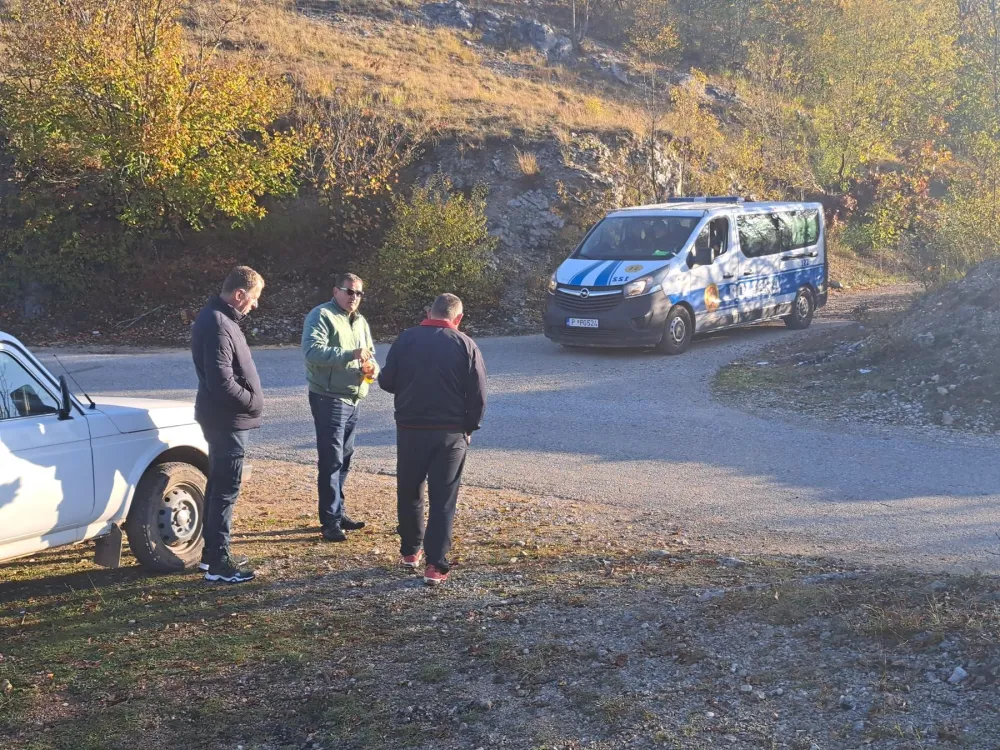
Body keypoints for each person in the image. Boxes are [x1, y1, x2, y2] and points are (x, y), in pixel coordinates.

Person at [378, 293, 487, 586]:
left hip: (410, 429)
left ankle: (410, 551)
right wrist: (469, 428)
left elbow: (387, 381)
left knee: (410, 490)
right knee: (443, 498)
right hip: (450, 433)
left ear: (430, 311)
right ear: (458, 318)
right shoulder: (465, 345)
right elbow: (477, 395)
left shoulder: (406, 339)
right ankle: (436, 565)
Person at [190, 266, 265, 584]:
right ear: (239, 294)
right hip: (226, 421)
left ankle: (211, 556)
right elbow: (221, 382)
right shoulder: (218, 324)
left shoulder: (221, 320)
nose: (255, 305)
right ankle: (219, 563)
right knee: (224, 490)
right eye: (254, 298)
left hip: (225, 419)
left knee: (220, 487)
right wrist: (251, 401)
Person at [301, 273, 379, 542]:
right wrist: (351, 355)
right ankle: (330, 521)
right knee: (331, 460)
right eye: (349, 292)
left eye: (358, 294)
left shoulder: (360, 321)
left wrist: (372, 370)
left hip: (353, 397)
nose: (354, 297)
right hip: (328, 398)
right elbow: (312, 352)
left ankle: (338, 512)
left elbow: (369, 354)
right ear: (335, 291)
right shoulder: (321, 315)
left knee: (344, 459)